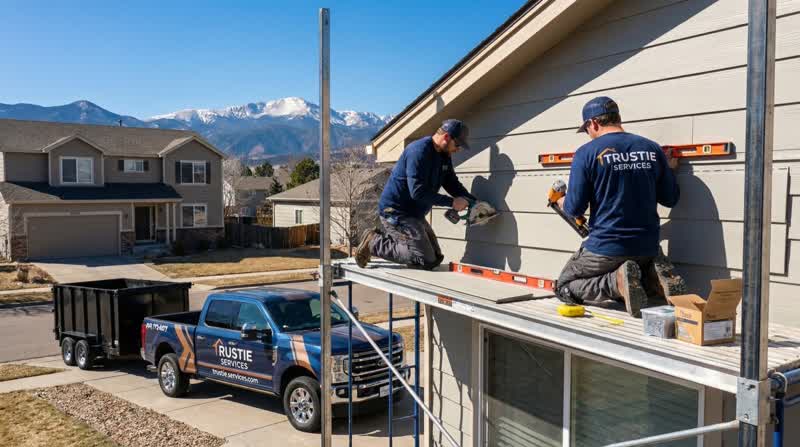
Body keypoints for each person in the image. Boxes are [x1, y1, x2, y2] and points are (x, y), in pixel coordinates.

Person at [555, 96, 685, 318]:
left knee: (564, 286)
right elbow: (670, 199)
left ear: (593, 123)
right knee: (635, 268)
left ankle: (615, 283)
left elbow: (574, 208)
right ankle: (652, 278)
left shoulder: (586, 153)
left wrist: (561, 201)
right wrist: (669, 170)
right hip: (647, 247)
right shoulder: (652, 149)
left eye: (587, 129)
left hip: (606, 249)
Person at [355, 119, 476, 270]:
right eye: (457, 144)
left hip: (414, 214)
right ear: (446, 137)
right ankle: (374, 242)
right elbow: (418, 192)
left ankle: (399, 245)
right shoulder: (418, 151)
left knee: (436, 258)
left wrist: (474, 202)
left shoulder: (444, 156)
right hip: (395, 212)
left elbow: (451, 183)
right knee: (424, 259)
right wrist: (452, 203)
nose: (458, 149)